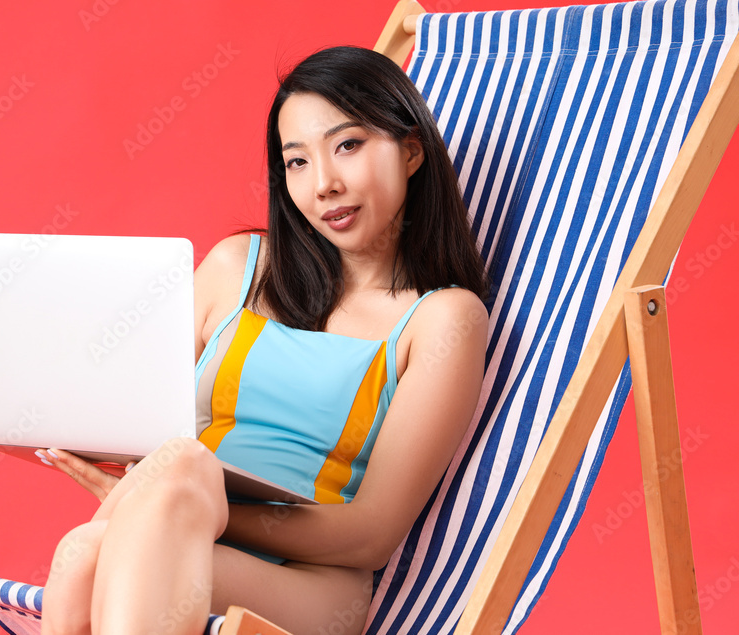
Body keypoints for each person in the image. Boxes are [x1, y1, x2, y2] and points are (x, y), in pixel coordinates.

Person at [36, 45, 489, 635]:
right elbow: (133, 415)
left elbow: (371, 535)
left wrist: (189, 510)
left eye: (347, 145)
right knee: (85, 552)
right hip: (176, 536)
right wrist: (146, 488)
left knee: (157, 490)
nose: (323, 184)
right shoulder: (237, 267)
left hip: (309, 584)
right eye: (296, 162)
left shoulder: (443, 319)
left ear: (409, 151)